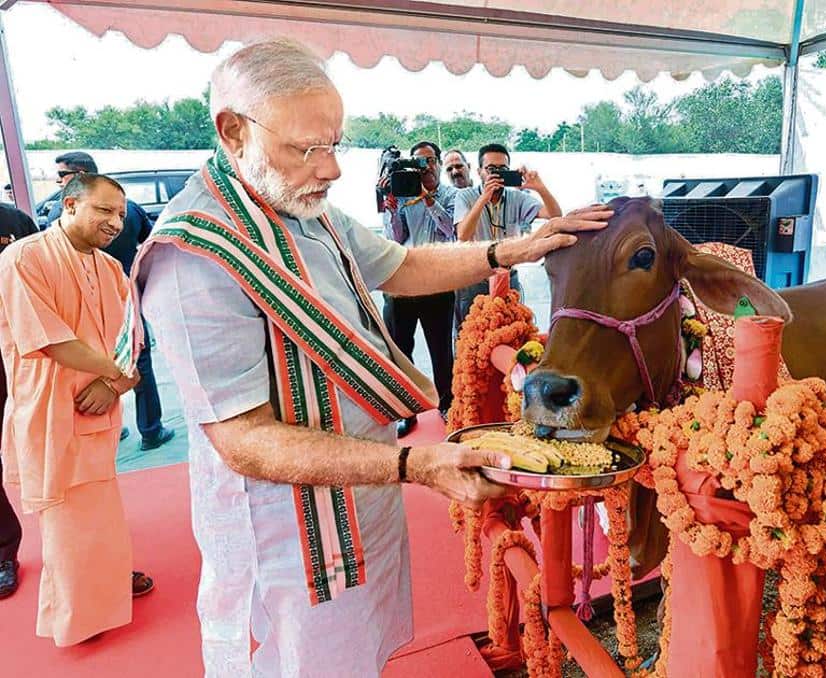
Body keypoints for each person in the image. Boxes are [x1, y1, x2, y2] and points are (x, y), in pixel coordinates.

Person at [129, 39, 609, 677]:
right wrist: (413, 463)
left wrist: (510, 251)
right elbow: (243, 440)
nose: (330, 169)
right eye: (308, 148)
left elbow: (402, 264)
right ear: (233, 131)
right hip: (290, 532)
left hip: (367, 486)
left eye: (335, 144)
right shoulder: (195, 258)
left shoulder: (302, 206)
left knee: (359, 656)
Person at [0, 174, 153, 646]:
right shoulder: (23, 257)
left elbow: (134, 339)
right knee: (66, 515)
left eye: (120, 215)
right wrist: (114, 374)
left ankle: (105, 581)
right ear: (69, 205)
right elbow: (47, 337)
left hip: (100, 406)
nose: (114, 222)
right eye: (103, 211)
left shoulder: (111, 269)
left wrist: (117, 383)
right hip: (52, 408)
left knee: (101, 504)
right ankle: (79, 614)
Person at [48, 152, 175, 451]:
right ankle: (149, 429)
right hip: (119, 301)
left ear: (78, 174)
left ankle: (120, 427)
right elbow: (152, 241)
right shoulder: (130, 210)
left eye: (62, 176)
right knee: (131, 361)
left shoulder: (64, 217)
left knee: (120, 362)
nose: (114, 223)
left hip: (106, 303)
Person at [381, 140, 457, 436]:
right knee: (399, 350)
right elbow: (396, 238)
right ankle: (406, 409)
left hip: (438, 281)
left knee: (441, 351)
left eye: (428, 161)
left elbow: (452, 229)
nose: (423, 168)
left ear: (437, 163)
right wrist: (390, 207)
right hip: (403, 282)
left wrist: (426, 197)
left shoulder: (452, 195)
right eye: (417, 162)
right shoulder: (402, 193)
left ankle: (448, 404)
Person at [453, 143, 562, 331]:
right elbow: (463, 235)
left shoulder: (516, 198)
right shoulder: (465, 196)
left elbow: (555, 216)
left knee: (510, 333)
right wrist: (484, 198)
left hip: (507, 277)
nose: (496, 174)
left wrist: (540, 188)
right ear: (479, 172)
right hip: (474, 279)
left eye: (502, 169)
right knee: (471, 339)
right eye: (490, 169)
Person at [0, 201, 37, 599]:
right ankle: (3, 551)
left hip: (25, 355)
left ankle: (83, 554)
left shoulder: (13, 219)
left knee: (53, 449)